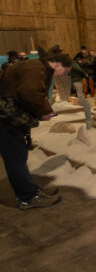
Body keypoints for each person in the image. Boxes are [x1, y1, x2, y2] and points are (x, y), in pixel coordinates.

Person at [0, 45, 70, 209]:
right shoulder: (37, 69)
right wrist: (45, 112)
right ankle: (28, 197)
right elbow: (29, 92)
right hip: (5, 120)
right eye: (65, 71)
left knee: (18, 155)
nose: (63, 75)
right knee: (16, 157)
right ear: (57, 65)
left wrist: (46, 110)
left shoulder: (37, 67)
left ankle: (31, 190)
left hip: (8, 117)